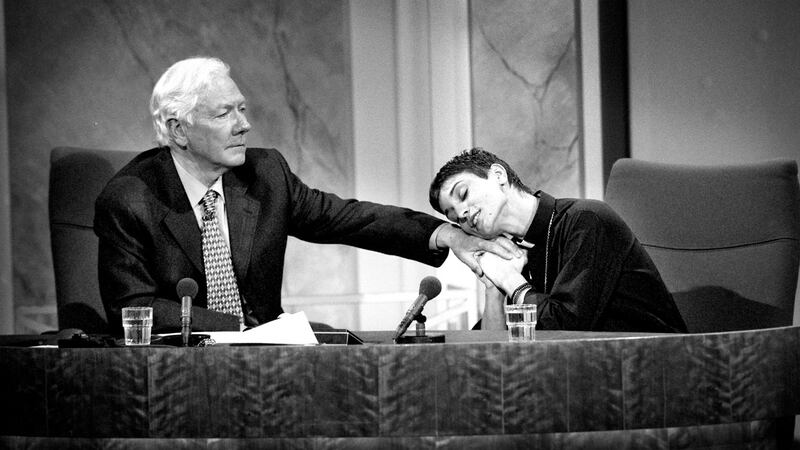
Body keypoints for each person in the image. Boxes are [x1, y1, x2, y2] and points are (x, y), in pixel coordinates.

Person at [94, 57, 516, 334]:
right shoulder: (130, 199)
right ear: (178, 129)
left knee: (352, 352)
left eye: (241, 108)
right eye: (224, 114)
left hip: (269, 352)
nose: (244, 124)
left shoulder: (265, 173)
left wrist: (449, 236)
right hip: (178, 363)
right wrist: (238, 332)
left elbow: (348, 218)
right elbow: (134, 308)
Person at [428, 148, 687, 332]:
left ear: (499, 176)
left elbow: (565, 326)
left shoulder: (587, 220)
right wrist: (494, 289)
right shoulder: (515, 251)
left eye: (462, 193)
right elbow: (490, 356)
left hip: (653, 372)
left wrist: (511, 282)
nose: (462, 214)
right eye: (454, 217)